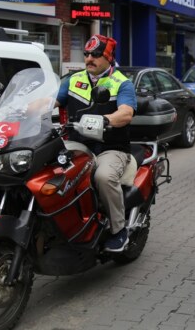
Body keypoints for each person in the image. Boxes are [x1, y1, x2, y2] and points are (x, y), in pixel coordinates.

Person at [55, 34, 137, 252]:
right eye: (87, 54)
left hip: (110, 147)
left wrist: (105, 120)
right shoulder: (72, 80)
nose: (89, 58)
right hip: (76, 145)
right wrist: (24, 109)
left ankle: (119, 230)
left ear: (108, 58)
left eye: (96, 54)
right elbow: (49, 101)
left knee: (103, 177)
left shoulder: (122, 83)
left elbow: (126, 113)